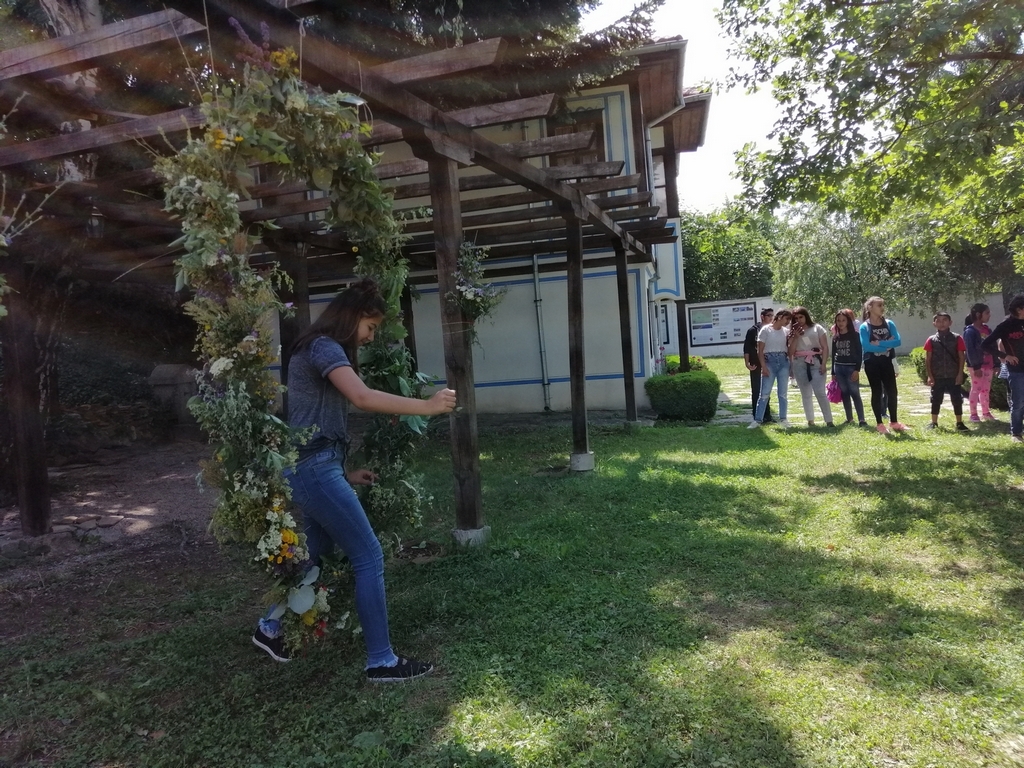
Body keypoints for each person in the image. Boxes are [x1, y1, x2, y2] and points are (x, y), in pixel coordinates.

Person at [251, 279, 457, 680]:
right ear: (354, 316)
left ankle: (271, 627)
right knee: (369, 556)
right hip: (314, 469)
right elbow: (362, 397)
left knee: (317, 556)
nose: (370, 335)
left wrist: (343, 472)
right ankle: (381, 661)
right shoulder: (324, 346)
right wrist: (427, 407)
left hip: (314, 467)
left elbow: (310, 420)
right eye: (371, 326)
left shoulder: (315, 348)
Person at [859, 296, 907, 433]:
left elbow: (897, 342)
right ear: (870, 308)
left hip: (886, 361)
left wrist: (880, 344)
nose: (882, 308)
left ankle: (894, 422)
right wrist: (887, 345)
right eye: (879, 305)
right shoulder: (865, 326)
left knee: (892, 391)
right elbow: (867, 346)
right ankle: (879, 424)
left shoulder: (889, 323)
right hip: (871, 362)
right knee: (877, 391)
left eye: (882, 305)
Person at [982, 294, 1024, 444]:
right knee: (1018, 402)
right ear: (1019, 309)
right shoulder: (1006, 325)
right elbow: (985, 345)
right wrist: (1005, 356)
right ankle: (1016, 433)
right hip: (1016, 370)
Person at [787, 306, 834, 427]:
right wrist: (796, 337)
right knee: (806, 393)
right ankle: (810, 420)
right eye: (796, 318)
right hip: (799, 363)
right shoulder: (791, 332)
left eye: (801, 317)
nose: (799, 320)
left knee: (819, 391)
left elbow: (825, 347)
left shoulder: (817, 328)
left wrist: (824, 364)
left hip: (816, 362)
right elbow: (790, 352)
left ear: (806, 316)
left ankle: (829, 420)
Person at [923, 312, 968, 431]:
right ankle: (934, 422)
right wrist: (930, 375)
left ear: (950, 323)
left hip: (953, 374)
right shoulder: (931, 340)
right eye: (938, 321)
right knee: (935, 398)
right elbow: (928, 358)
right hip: (937, 375)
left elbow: (961, 357)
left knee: (957, 399)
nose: (941, 323)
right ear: (934, 323)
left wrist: (959, 374)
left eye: (944, 320)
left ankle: (959, 423)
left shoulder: (957, 338)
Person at [749, 309, 793, 428]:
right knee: (764, 393)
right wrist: (763, 366)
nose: (788, 321)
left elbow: (790, 349)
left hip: (783, 361)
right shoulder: (766, 330)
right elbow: (760, 350)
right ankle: (758, 420)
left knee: (782, 393)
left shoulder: (786, 331)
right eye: (786, 318)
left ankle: (783, 419)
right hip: (769, 361)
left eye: (789, 319)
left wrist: (791, 366)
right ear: (779, 317)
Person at [830, 308, 866, 426]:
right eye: (838, 320)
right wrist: (833, 373)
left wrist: (857, 369)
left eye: (843, 320)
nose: (841, 323)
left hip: (851, 368)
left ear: (848, 321)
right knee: (844, 393)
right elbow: (833, 354)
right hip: (839, 368)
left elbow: (859, 353)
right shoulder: (835, 337)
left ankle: (862, 419)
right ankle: (849, 418)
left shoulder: (855, 336)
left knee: (855, 393)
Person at [963, 303, 996, 422]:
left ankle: (986, 412)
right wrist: (976, 366)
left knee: (986, 389)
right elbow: (970, 350)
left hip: (989, 364)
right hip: (976, 366)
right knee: (976, 388)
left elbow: (994, 347)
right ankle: (973, 414)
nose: (989, 315)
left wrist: (996, 363)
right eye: (987, 313)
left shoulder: (988, 330)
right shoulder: (970, 332)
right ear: (978, 315)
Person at [743, 307, 775, 423]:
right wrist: (747, 362)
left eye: (772, 316)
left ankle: (767, 416)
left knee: (767, 391)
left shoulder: (772, 330)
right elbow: (747, 348)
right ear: (762, 317)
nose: (771, 318)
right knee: (756, 390)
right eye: (769, 315)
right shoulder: (753, 330)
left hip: (769, 363)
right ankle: (757, 416)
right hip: (756, 364)